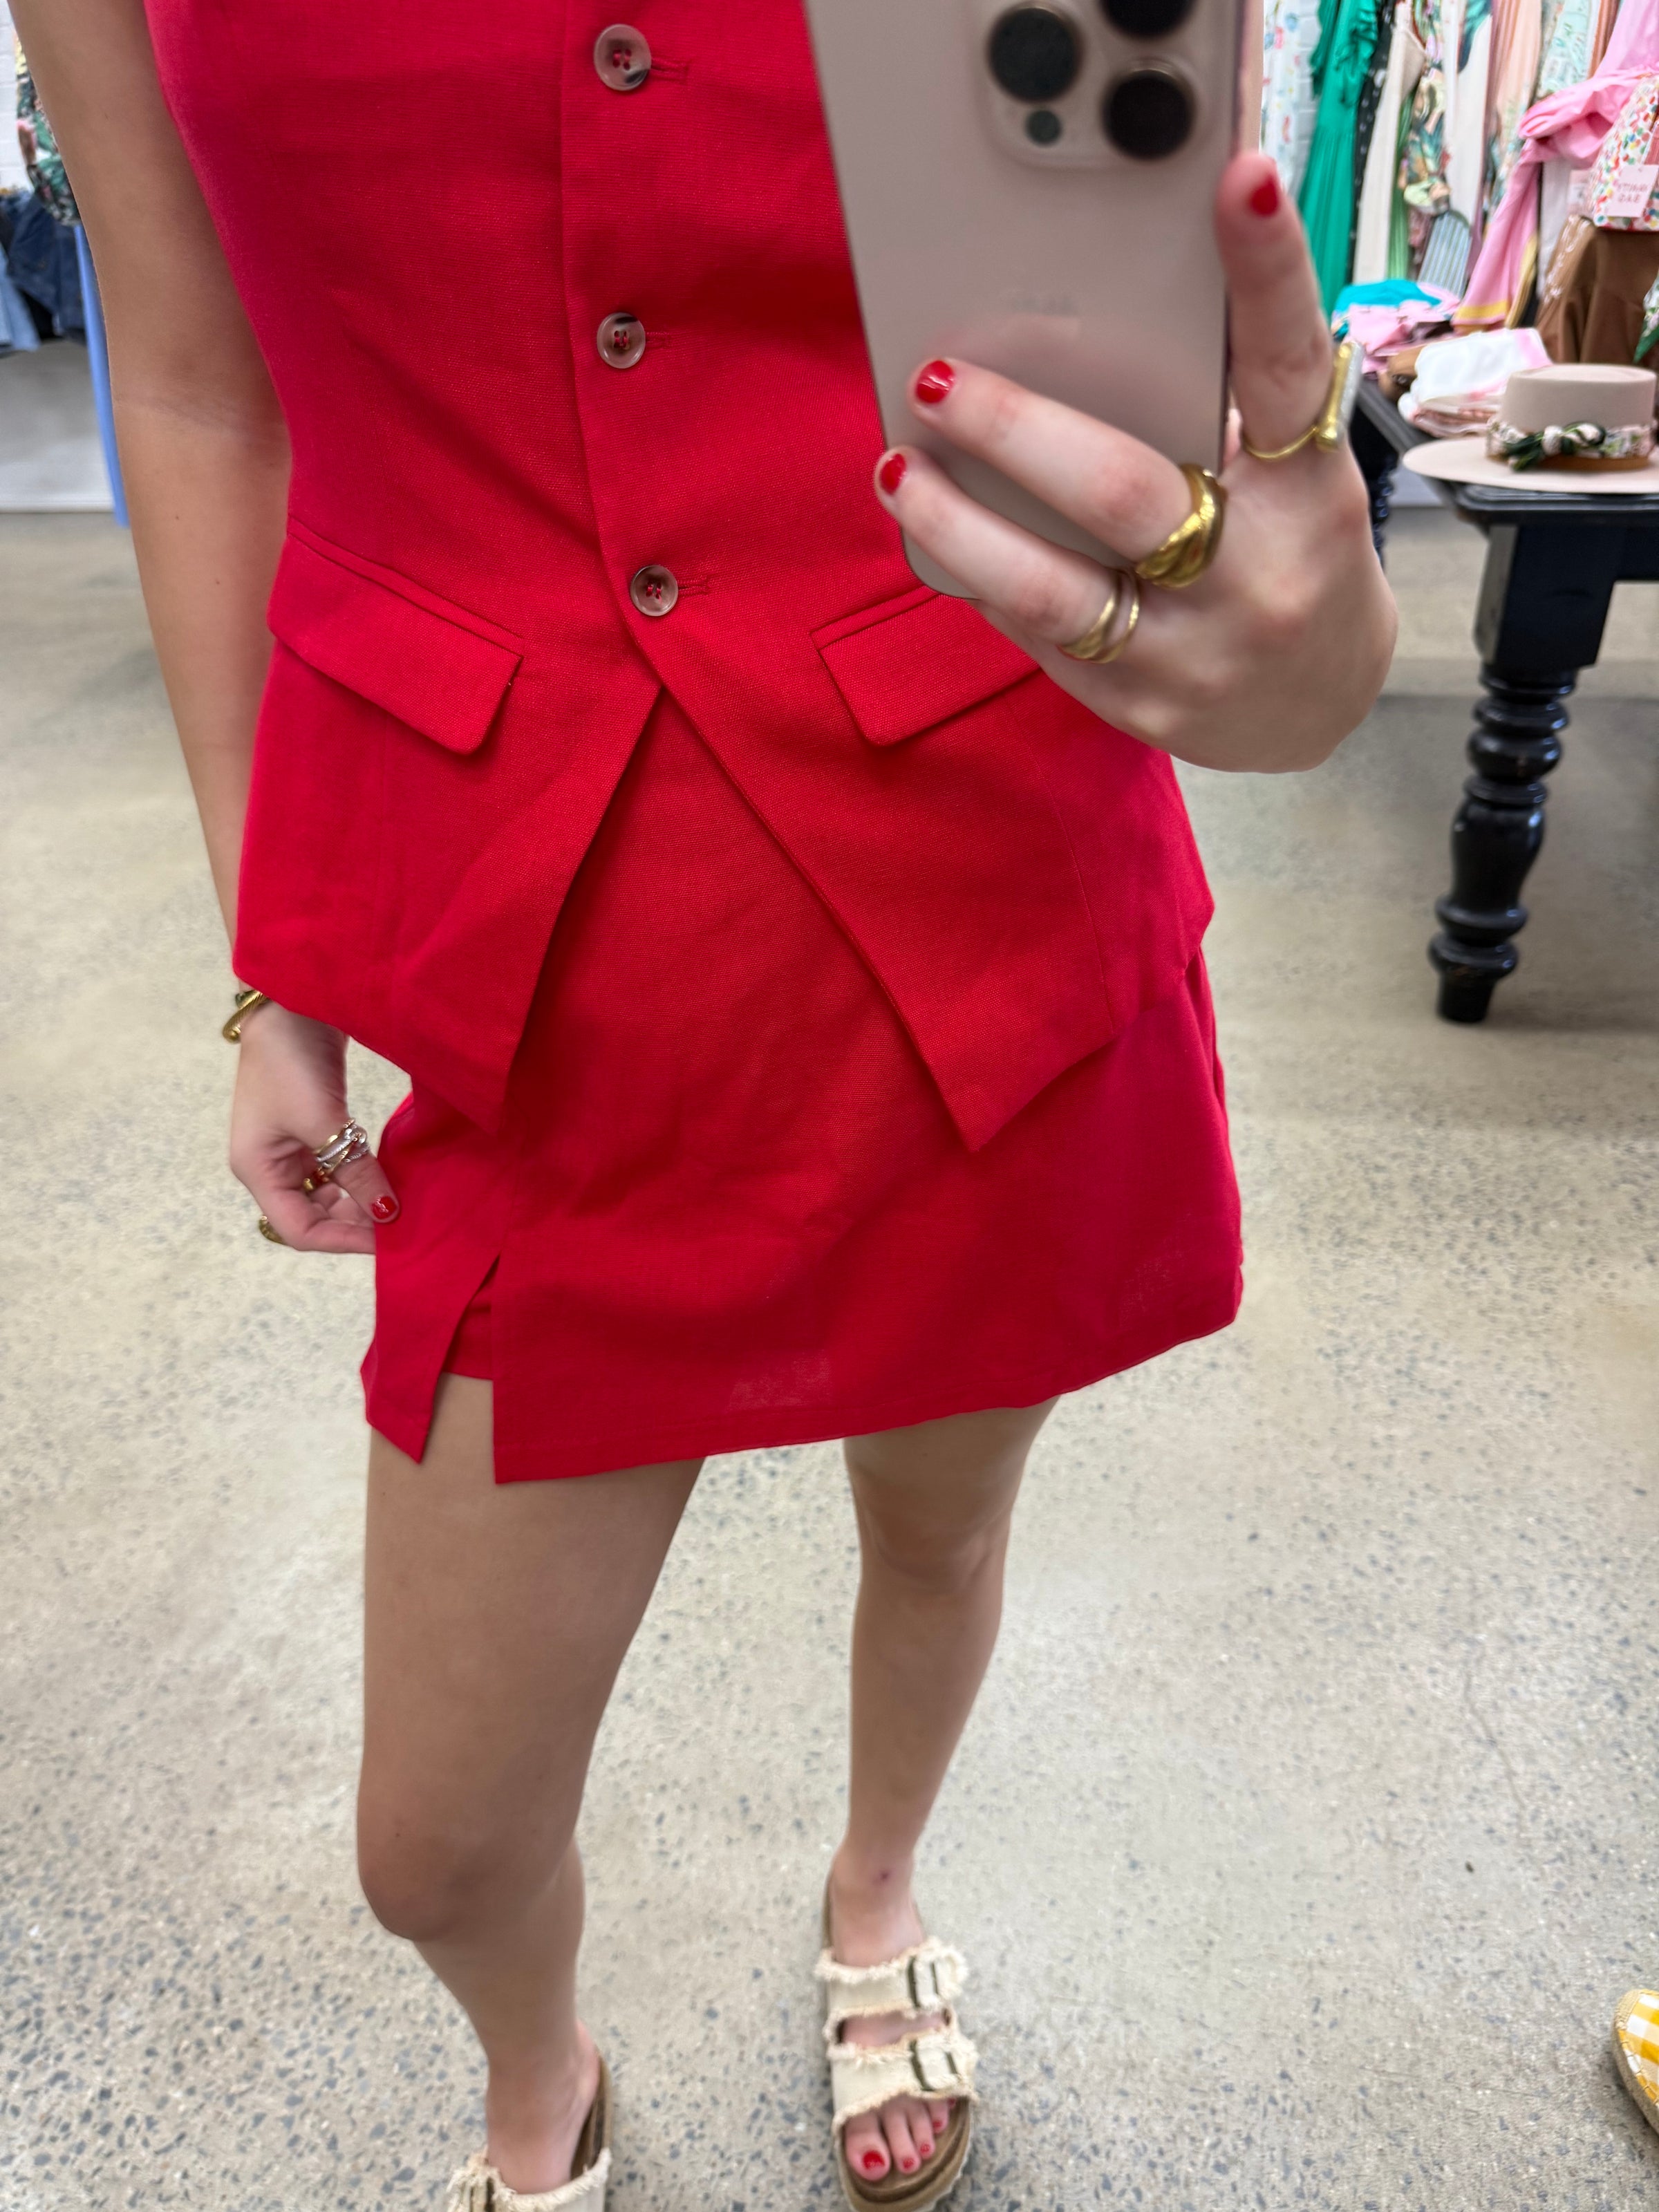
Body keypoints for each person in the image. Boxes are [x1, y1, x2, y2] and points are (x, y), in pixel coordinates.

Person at [19, 3, 1394, 2206]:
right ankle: (542, 2066)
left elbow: (1125, 327)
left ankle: (877, 1889)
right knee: (437, 1839)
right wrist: (273, 950)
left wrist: (1287, 615)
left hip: (977, 863)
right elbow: (195, 381)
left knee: (938, 1524)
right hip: (519, 923)